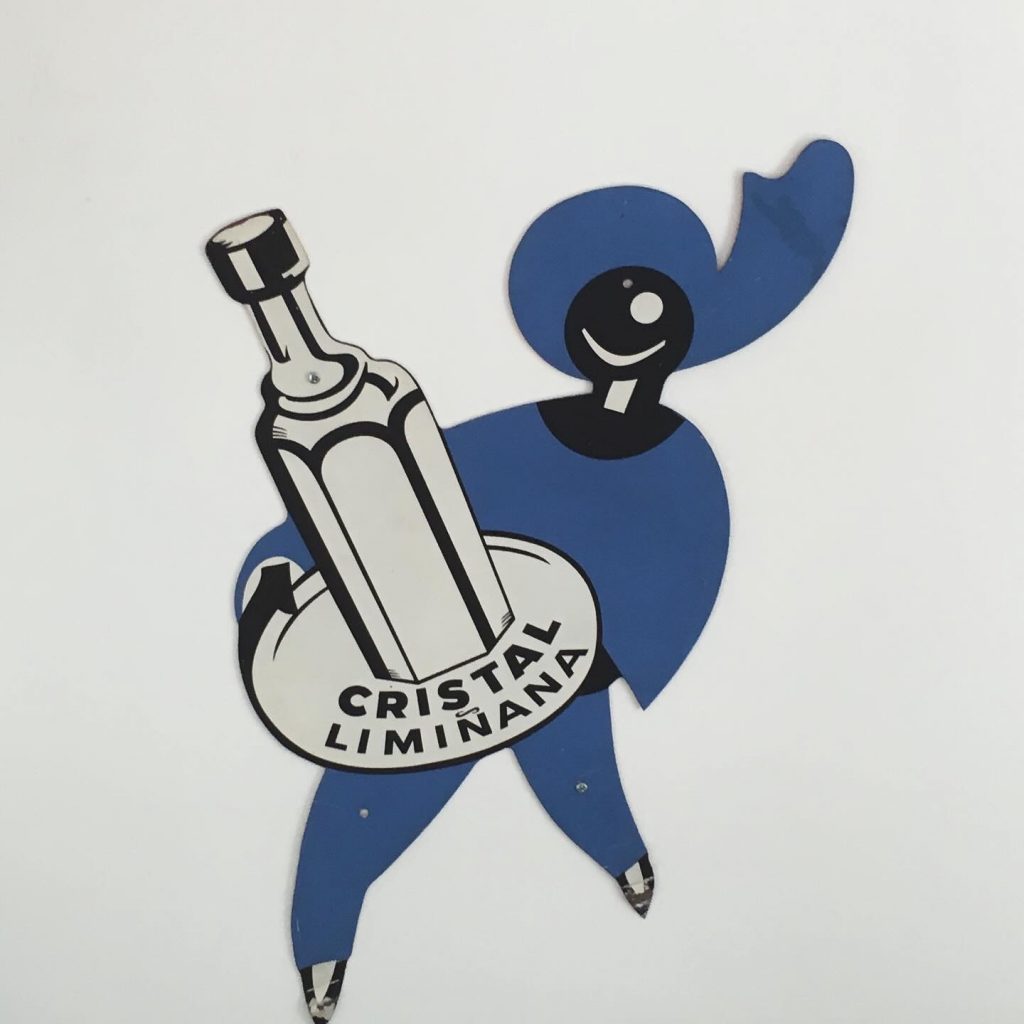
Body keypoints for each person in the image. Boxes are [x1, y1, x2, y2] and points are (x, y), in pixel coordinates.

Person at [235, 139, 854, 1021]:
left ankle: (625, 864)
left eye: (649, 304)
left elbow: (686, 563)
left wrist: (601, 660)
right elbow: (394, 493)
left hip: (559, 658)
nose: (631, 324)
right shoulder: (516, 434)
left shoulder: (682, 463)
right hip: (436, 654)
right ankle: (322, 950)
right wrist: (276, 570)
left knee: (580, 776)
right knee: (372, 797)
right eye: (611, 300)